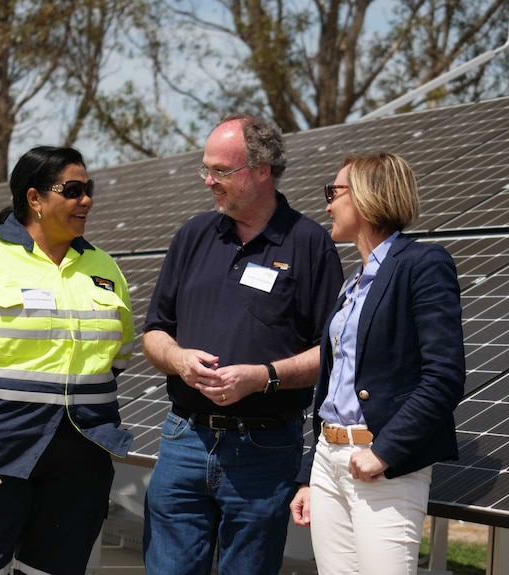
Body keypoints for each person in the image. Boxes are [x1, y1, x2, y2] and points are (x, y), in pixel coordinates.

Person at [0, 146, 134, 575]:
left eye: (89, 189)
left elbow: (115, 362)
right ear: (35, 198)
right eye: (73, 190)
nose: (86, 200)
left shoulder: (105, 268)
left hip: (80, 465)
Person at [141, 113, 344, 575]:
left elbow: (332, 352)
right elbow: (154, 333)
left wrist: (263, 378)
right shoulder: (193, 235)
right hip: (183, 438)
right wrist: (177, 359)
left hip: (264, 450)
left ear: (262, 170)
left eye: (222, 172)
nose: (209, 181)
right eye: (205, 169)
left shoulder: (311, 244)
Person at [289, 151, 465, 575]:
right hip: (330, 460)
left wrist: (384, 452)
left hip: (383, 466)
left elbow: (444, 376)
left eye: (334, 192)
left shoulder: (423, 265)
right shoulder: (352, 282)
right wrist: (311, 472)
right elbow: (333, 388)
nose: (327, 204)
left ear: (368, 196)